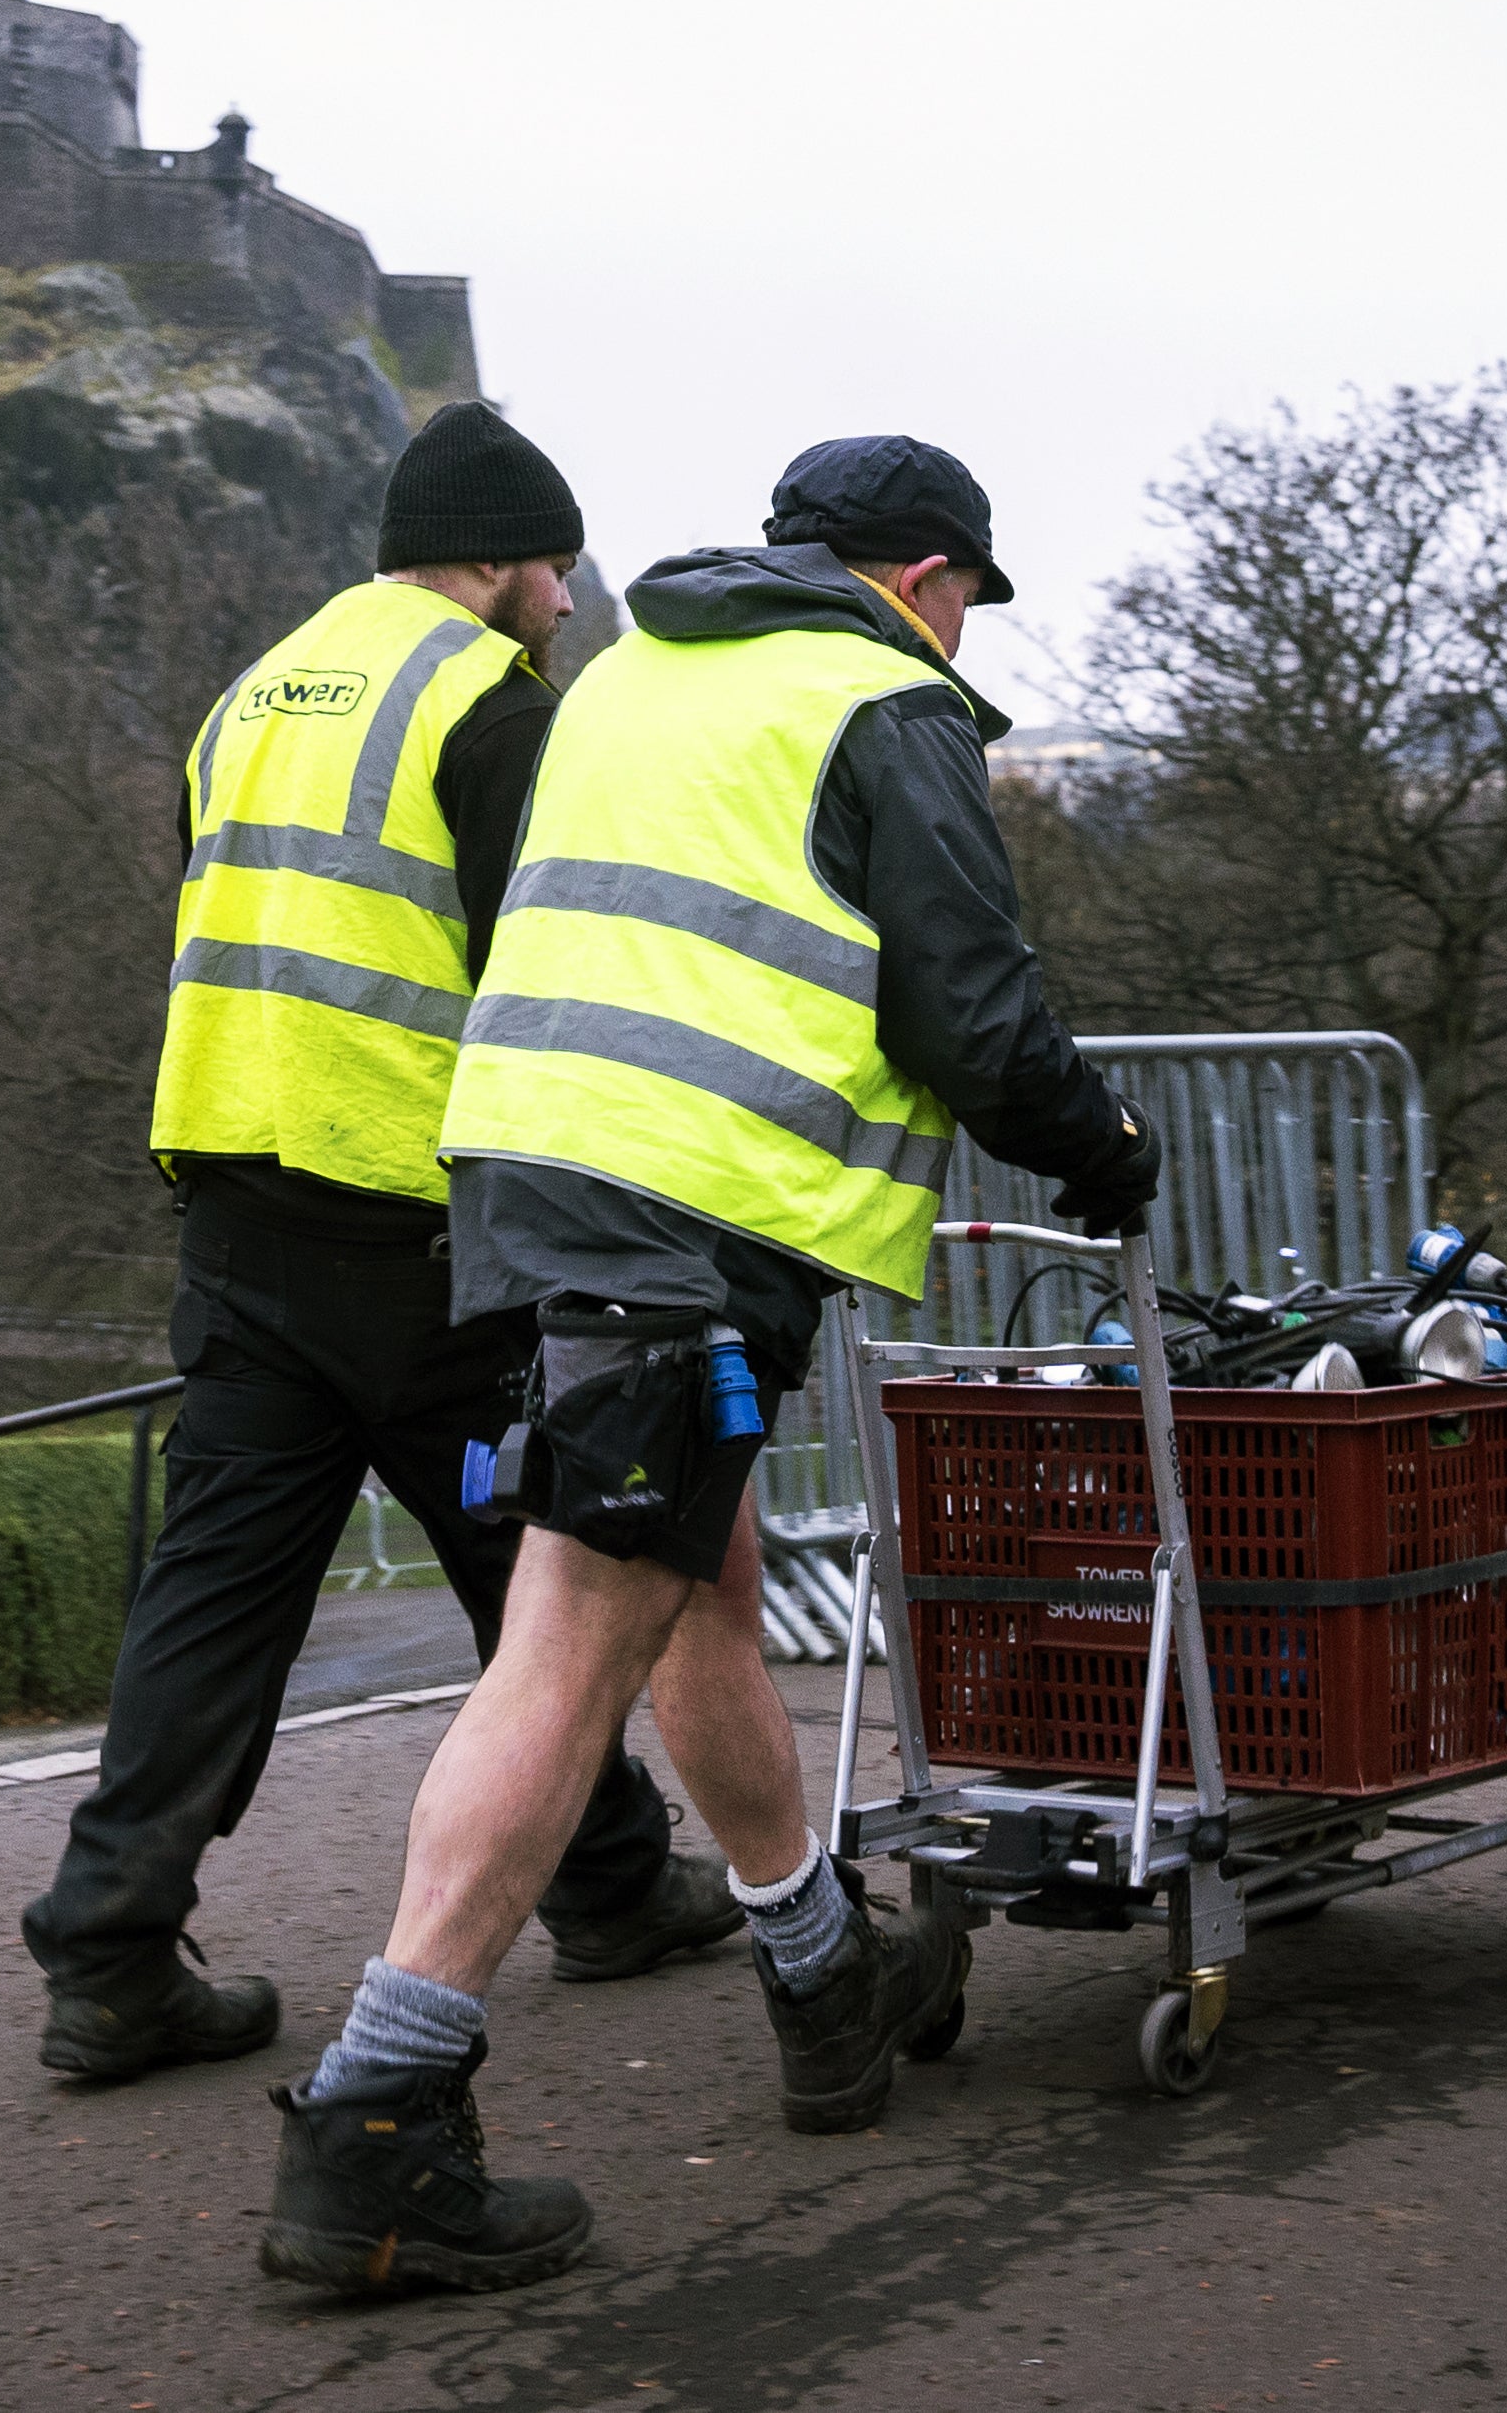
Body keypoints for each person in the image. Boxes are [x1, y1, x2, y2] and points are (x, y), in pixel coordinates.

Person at [257, 433, 1161, 2294]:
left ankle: (824, 1975)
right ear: (925, 580)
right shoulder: (882, 701)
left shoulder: (621, 675)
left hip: (528, 1173)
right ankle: (378, 2114)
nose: (961, 633)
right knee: (581, 1626)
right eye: (967, 602)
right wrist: (1105, 1150)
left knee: (701, 1591)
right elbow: (975, 1019)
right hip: (682, 1209)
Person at [22, 401, 742, 2082]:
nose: (567, 603)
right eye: (554, 569)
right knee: (551, 1576)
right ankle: (619, 1888)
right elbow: (549, 965)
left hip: (237, 1205)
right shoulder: (487, 704)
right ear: (493, 561)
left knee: (215, 1598)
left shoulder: (252, 696)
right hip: (419, 1223)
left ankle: (111, 1950)